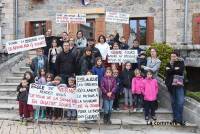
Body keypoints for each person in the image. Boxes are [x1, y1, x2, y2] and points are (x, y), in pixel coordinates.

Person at [165, 51, 185, 126]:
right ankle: (175, 119)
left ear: (177, 56)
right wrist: (174, 69)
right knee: (173, 103)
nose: (172, 58)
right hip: (171, 86)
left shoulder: (181, 62)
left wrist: (172, 70)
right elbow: (167, 72)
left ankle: (179, 119)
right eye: (171, 56)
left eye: (174, 56)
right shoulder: (168, 63)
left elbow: (180, 71)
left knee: (180, 102)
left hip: (179, 85)